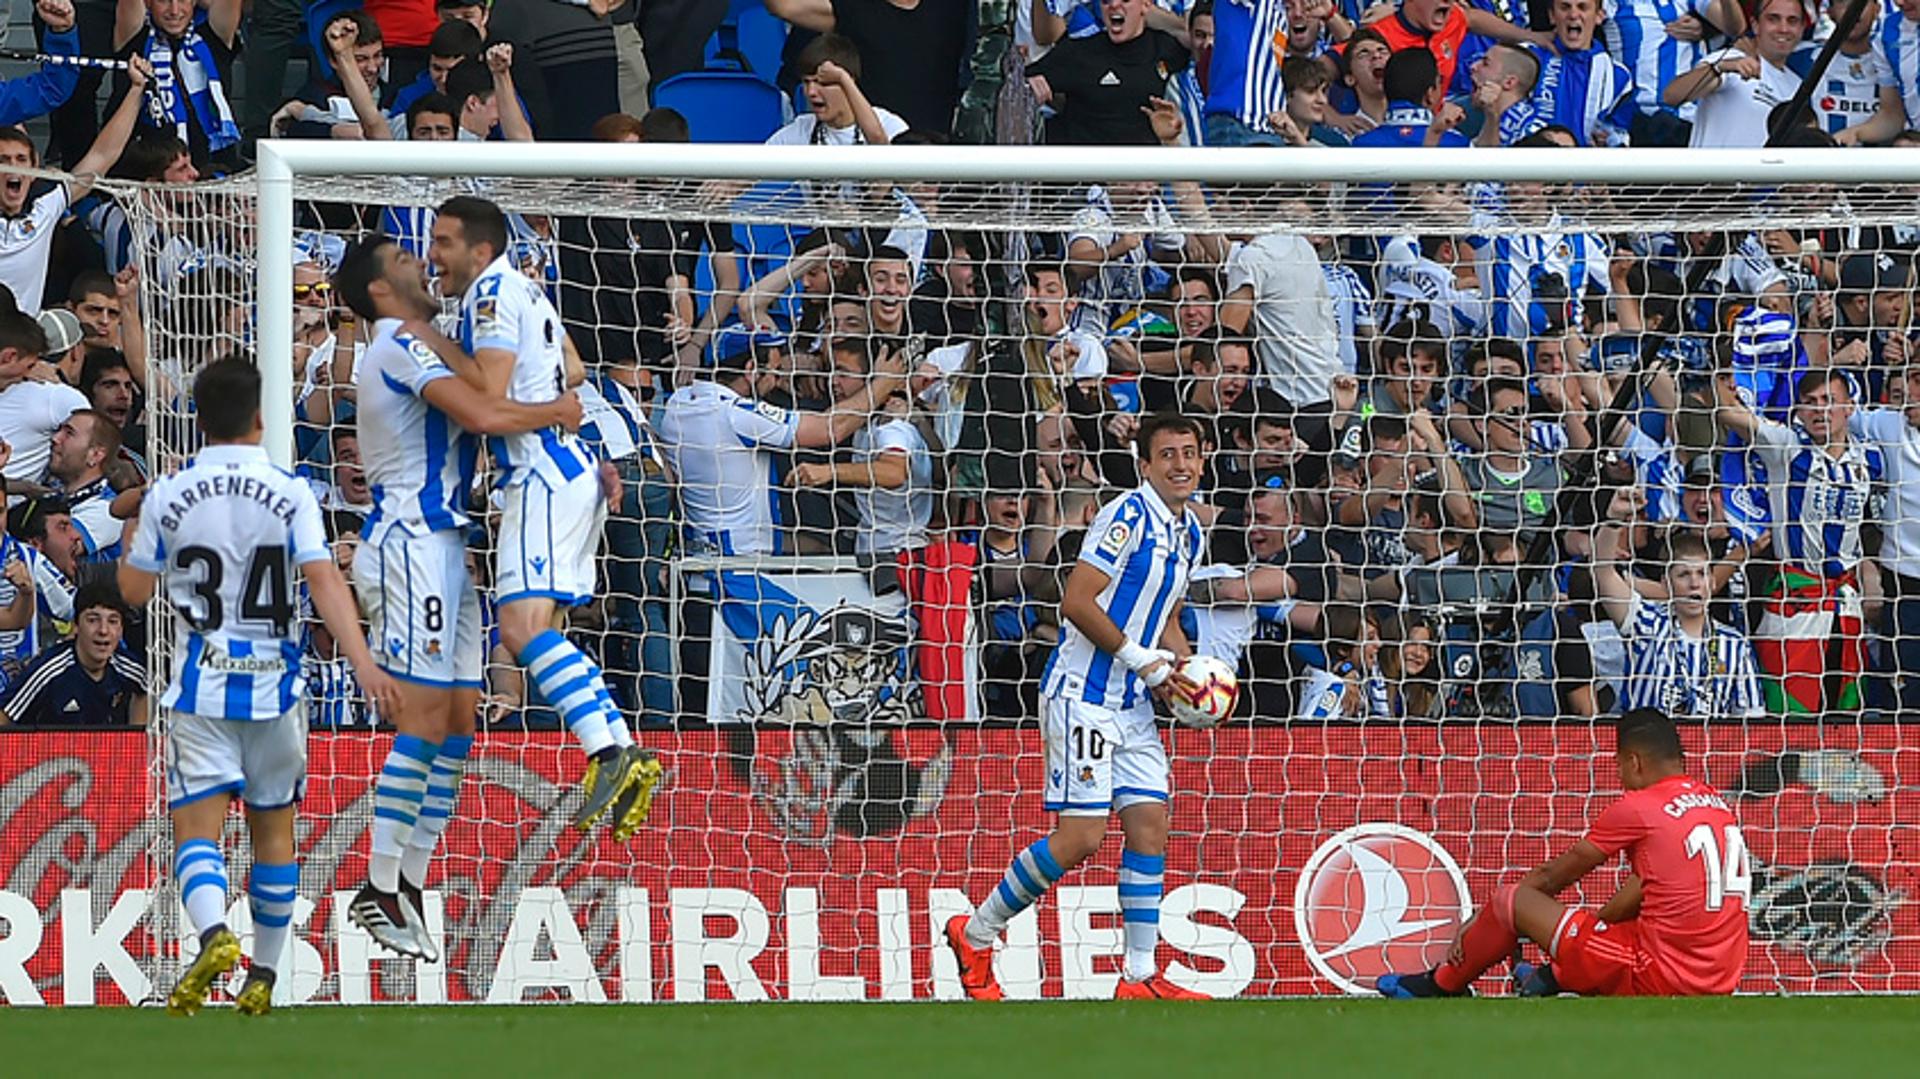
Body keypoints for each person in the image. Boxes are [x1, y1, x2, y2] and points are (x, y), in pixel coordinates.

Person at [117, 356, 401, 1017]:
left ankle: (215, 934)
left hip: (201, 687)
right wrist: (363, 660)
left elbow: (131, 592)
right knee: (274, 832)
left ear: (199, 418)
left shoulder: (171, 491)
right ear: (259, 417)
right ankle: (266, 972)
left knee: (197, 829)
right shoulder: (290, 489)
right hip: (275, 686)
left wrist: (140, 535)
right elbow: (325, 579)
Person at [332, 233, 587, 959]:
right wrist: (555, 414)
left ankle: (406, 883)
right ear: (382, 289)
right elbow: (482, 414)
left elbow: (502, 376)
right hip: (410, 543)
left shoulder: (426, 339)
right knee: (423, 718)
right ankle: (380, 884)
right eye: (409, 261)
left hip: (446, 550)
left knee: (456, 726)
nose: (425, 264)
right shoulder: (396, 346)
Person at [946, 412, 1210, 1002]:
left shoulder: (1189, 531)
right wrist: (1144, 660)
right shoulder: (1126, 517)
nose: (1181, 464)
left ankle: (1139, 976)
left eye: (1190, 453)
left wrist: (1187, 670)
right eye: (1167, 455)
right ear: (1145, 465)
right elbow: (1075, 601)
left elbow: (1163, 613)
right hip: (1082, 695)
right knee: (1082, 837)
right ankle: (977, 932)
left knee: (1150, 826)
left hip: (1134, 703)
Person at [428, 195, 660, 831]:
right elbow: (575, 369)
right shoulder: (530, 292)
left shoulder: (491, 296)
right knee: (541, 631)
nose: (432, 255)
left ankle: (607, 750)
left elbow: (487, 400)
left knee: (520, 632)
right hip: (571, 471)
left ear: (480, 250)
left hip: (538, 478)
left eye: (443, 242)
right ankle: (619, 748)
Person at [1379, 708, 1751, 997]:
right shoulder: (1716, 802)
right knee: (1624, 926)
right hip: (1722, 975)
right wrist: (1588, 939)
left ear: (1635, 761)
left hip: (1665, 975)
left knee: (1512, 900)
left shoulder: (1639, 806)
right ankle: (1549, 976)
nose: (1619, 775)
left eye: (1619, 764)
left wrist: (1479, 919)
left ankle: (1440, 984)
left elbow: (1552, 878)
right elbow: (1645, 889)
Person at [1716, 367, 1878, 716]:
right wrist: (1727, 379)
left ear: (1849, 406)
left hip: (1846, 604)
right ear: (1799, 411)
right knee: (1790, 711)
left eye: (1828, 401)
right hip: (1795, 602)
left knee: (1845, 711)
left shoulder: (1871, 458)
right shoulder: (1786, 446)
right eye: (1810, 403)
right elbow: (1725, 412)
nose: (1820, 410)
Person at [1592, 490, 1764, 720]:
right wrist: (1614, 518)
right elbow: (1603, 572)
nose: (1694, 583)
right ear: (1666, 584)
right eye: (1683, 575)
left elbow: (1752, 720)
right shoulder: (1646, 623)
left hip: (1710, 753)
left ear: (1712, 582)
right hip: (1650, 748)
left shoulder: (1734, 644)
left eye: (1701, 575)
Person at [0, 52, 151, 313]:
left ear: (35, 170)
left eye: (20, 159)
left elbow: (103, 155)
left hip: (21, 345)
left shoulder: (45, 207)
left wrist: (136, 89)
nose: (12, 166)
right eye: (3, 160)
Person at [1027, 0, 1191, 145]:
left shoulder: (1165, 48)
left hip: (1142, 171)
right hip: (1086, 170)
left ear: (1147, 5)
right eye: (1106, 1)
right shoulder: (1081, 51)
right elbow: (1023, 80)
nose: (1113, 5)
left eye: (1125, 0)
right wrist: (1030, 84)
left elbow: (1198, 44)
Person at [112, 0, 243, 172]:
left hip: (214, 167)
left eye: (182, 0)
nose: (174, 10)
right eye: (163, 1)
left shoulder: (211, 37)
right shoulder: (136, 38)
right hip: (149, 168)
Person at [0, 583, 146, 726]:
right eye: (92, 620)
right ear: (76, 626)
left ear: (121, 630)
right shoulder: (47, 670)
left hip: (99, 748)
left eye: (113, 621)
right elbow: (5, 713)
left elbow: (146, 690)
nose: (103, 630)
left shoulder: (128, 667)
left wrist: (138, 737)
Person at [1665, 0, 1804, 148]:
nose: (1783, 28)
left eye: (1792, 21)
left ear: (1802, 29)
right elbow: (1672, 96)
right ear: (1755, 25)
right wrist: (1719, 68)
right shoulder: (1730, 58)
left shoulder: (1798, 85)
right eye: (1773, 19)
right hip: (1710, 171)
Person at [765, 34, 906, 147]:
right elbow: (751, 170)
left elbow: (879, 142)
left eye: (823, 83)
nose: (811, 92)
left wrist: (842, 78)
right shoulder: (801, 130)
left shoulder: (889, 124)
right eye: (807, 82)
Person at [45, 409, 122, 561]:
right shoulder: (53, 495)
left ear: (95, 455)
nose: (55, 438)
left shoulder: (108, 510)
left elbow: (51, 553)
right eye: (59, 430)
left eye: (69, 433)